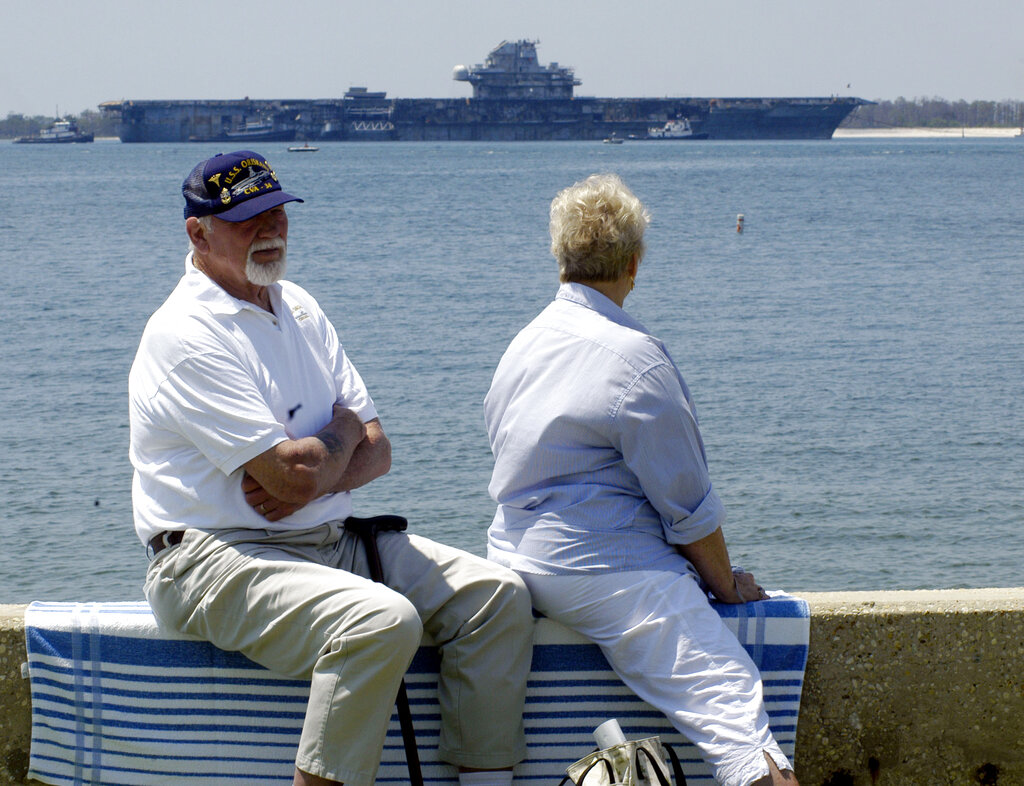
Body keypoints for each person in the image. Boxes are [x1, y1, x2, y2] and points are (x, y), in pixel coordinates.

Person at [129, 150, 533, 786]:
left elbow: (379, 450)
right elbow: (298, 471)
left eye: (278, 212)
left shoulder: (300, 309)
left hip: (326, 541)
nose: (271, 228)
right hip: (214, 558)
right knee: (381, 622)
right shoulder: (184, 333)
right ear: (197, 233)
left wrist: (317, 469)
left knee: (498, 598)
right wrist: (338, 437)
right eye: (248, 218)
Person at [483, 173, 799, 786]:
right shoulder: (636, 359)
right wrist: (726, 584)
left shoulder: (521, 347)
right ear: (633, 264)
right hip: (606, 571)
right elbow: (688, 507)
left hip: (517, 559)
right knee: (738, 717)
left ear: (560, 258)